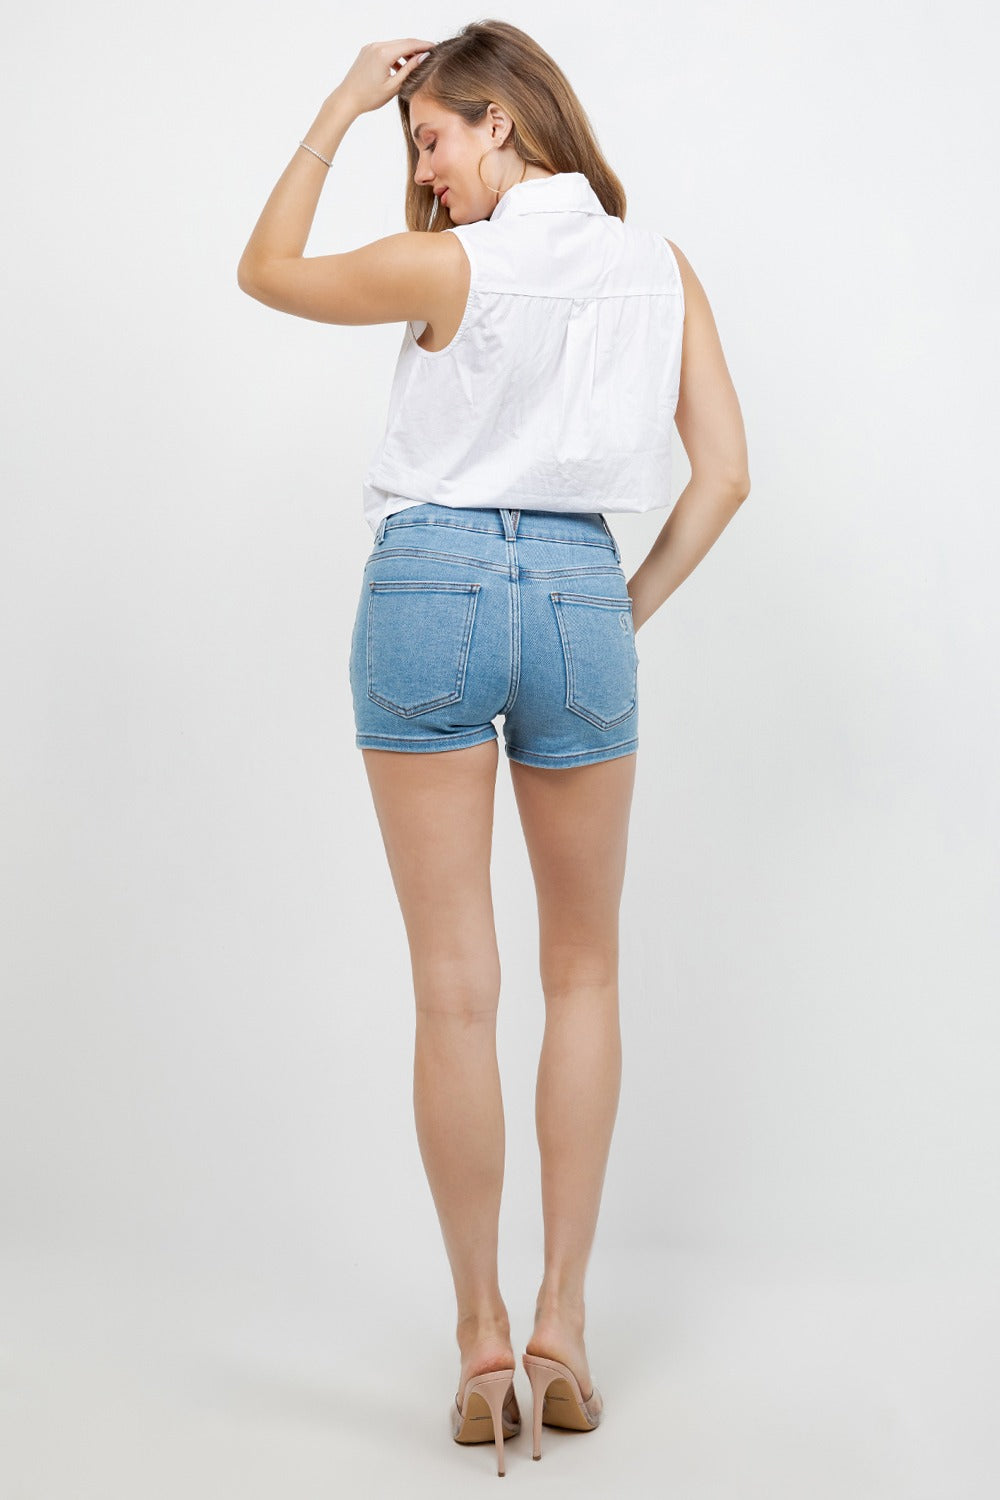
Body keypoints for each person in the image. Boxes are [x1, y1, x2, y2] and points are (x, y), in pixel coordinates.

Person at [238, 20, 750, 1476]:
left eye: (435, 138)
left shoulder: (452, 271)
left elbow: (264, 269)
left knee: (457, 992)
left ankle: (477, 1344)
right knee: (584, 969)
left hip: (430, 587)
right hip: (584, 591)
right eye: (415, 144)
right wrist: (620, 606)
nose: (430, 171)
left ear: (502, 127)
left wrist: (341, 102)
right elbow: (726, 474)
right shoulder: (660, 268)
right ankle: (561, 1330)